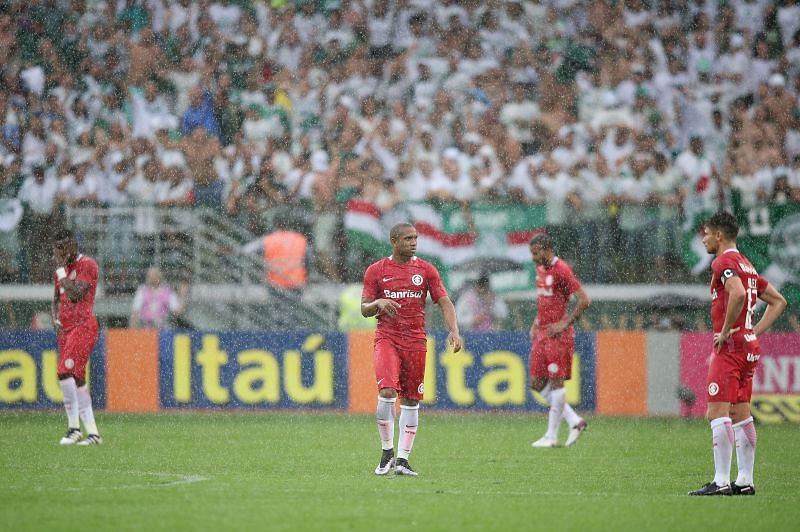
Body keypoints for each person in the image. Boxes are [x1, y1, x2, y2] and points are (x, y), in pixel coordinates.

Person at [689, 212, 787, 496]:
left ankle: (720, 481)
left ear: (719, 236)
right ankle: (745, 480)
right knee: (741, 413)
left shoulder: (723, 262)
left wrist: (726, 329)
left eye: (706, 234)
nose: (704, 238)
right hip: (748, 347)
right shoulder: (746, 264)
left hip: (730, 347)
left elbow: (739, 294)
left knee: (716, 412)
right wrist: (753, 331)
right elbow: (779, 301)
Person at [361, 222, 462, 476]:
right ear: (394, 241)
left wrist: (454, 330)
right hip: (388, 338)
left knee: (411, 400)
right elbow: (364, 309)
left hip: (416, 341)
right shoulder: (376, 271)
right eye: (407, 238)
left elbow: (444, 301)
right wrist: (378, 303)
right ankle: (387, 452)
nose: (413, 242)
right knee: (386, 391)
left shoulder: (426, 270)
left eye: (415, 238)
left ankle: (403, 460)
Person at [528, 232, 591, 448]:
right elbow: (546, 300)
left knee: (557, 384)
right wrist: (536, 321)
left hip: (558, 334)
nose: (533, 258)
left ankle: (551, 435)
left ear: (547, 250)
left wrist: (566, 323)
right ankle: (575, 421)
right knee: (536, 383)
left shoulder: (562, 270)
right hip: (543, 332)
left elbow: (585, 300)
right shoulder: (539, 270)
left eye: (536, 253)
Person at [51, 228, 102, 445]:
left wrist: (62, 273)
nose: (59, 253)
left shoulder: (87, 265)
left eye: (63, 247)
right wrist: (55, 318)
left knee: (64, 372)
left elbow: (74, 295)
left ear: (72, 245)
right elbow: (56, 299)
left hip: (83, 327)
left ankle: (73, 429)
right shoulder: (60, 272)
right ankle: (93, 434)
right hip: (66, 330)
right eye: (56, 249)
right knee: (78, 378)